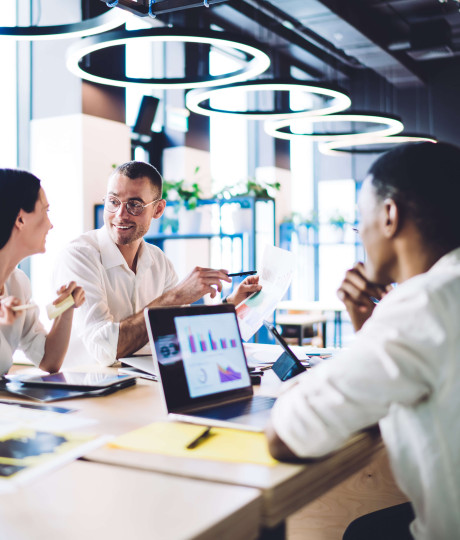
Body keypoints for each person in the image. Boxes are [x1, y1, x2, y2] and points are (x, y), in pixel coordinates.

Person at [266, 141, 460, 540]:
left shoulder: (424, 302)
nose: (359, 234)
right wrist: (370, 329)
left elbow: (287, 436)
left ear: (390, 215)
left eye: (359, 218)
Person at [54, 161, 260, 367]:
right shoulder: (79, 256)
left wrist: (231, 304)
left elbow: (183, 334)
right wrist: (176, 296)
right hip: (87, 390)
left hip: (143, 385)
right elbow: (103, 350)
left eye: (134, 205)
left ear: (158, 209)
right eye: (114, 201)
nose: (120, 214)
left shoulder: (158, 261)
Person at [0, 169, 85, 375]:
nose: (50, 224)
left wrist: (65, 313)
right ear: (20, 219)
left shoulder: (18, 284)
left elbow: (48, 361)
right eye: (45, 211)